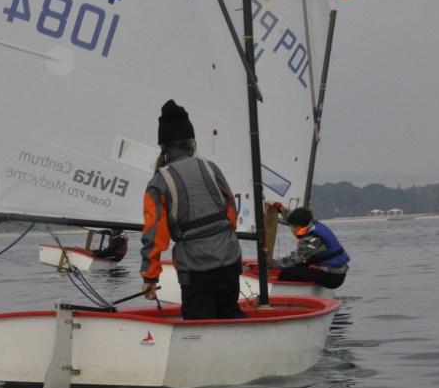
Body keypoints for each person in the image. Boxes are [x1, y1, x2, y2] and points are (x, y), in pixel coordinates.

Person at [140, 100, 245, 320]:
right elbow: (231, 213)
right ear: (191, 142)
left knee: (199, 324)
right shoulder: (210, 167)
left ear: (164, 146)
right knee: (230, 315)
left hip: (196, 269)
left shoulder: (158, 182)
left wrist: (150, 277)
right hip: (229, 261)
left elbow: (154, 234)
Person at [265, 204, 350, 289]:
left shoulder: (313, 239)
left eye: (291, 228)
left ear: (298, 228)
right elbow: (292, 218)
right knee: (291, 267)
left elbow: (294, 260)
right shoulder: (310, 222)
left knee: (286, 273)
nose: (291, 230)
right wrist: (279, 208)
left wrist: (270, 265)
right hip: (331, 270)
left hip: (332, 278)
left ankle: (287, 291)